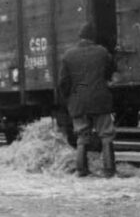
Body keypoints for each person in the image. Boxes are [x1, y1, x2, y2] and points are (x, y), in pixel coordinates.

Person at [58, 22, 120, 178]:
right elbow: (111, 72)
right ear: (94, 38)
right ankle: (109, 170)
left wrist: (70, 98)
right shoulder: (102, 52)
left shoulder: (68, 55)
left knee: (82, 135)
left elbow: (63, 83)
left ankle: (81, 170)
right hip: (100, 100)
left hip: (78, 101)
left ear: (80, 37)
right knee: (106, 134)